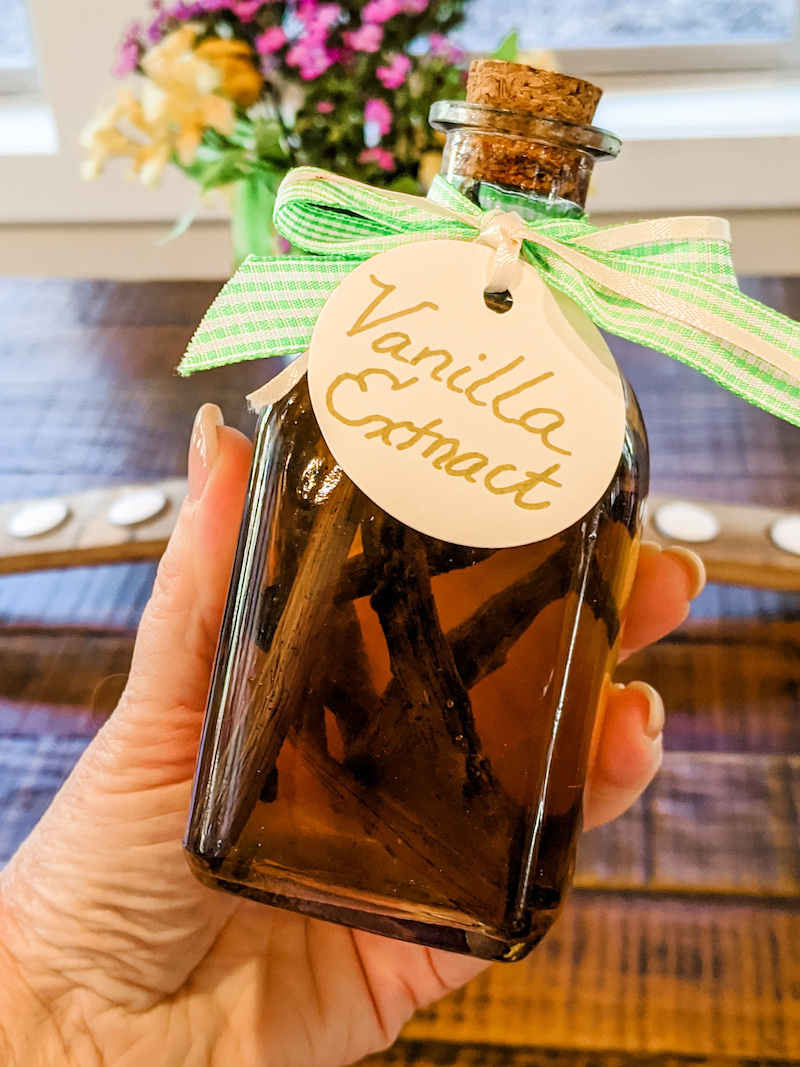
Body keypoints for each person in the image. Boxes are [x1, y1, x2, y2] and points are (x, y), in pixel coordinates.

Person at [0, 404, 704, 1066]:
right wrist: (47, 1000)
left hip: (417, 817)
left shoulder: (584, 422)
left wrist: (54, 1010)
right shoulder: (327, 398)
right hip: (347, 800)